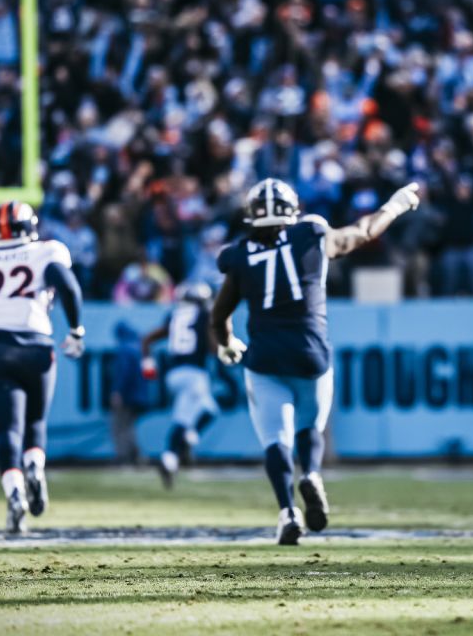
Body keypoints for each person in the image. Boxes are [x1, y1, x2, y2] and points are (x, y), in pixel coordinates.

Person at [212, 178, 420, 545]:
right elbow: (364, 231)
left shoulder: (241, 254)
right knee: (310, 427)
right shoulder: (312, 234)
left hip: (265, 358)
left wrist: (227, 343)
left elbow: (219, 314)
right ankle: (310, 472)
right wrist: (396, 205)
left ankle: (287, 512)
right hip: (311, 353)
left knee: (275, 438)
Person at [0, 201, 85, 534]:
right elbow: (69, 286)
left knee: (6, 431)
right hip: (36, 345)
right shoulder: (46, 251)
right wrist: (76, 329)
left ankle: (15, 494)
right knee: (36, 422)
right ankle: (35, 466)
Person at [141, 283, 216, 488]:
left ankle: (190, 438)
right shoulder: (203, 315)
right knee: (182, 420)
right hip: (194, 374)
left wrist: (147, 362)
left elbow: (147, 339)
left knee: (210, 409)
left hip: (173, 375)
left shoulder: (175, 315)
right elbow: (212, 347)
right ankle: (169, 458)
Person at [109, 322, 147, 466]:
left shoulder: (124, 350)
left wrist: (117, 391)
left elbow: (123, 374)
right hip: (140, 395)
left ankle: (125, 455)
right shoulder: (139, 348)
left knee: (120, 426)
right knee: (129, 425)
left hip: (128, 395)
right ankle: (135, 455)